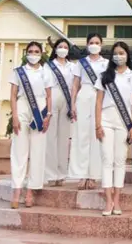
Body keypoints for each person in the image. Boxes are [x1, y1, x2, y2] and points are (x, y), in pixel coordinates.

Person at [94, 42, 132, 216]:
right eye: (116, 53)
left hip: (124, 122)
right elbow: (98, 102)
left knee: (120, 161)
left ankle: (117, 199)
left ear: (127, 55)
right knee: (107, 160)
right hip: (106, 120)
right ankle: (108, 200)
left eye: (122, 53)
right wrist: (97, 125)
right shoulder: (104, 76)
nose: (119, 56)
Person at [9, 41, 53, 208]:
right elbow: (13, 95)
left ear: (41, 53)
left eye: (36, 51)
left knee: (38, 151)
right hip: (22, 107)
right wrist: (14, 117)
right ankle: (17, 190)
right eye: (31, 51)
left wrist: (48, 115)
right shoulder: (18, 72)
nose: (33, 54)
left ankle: (30, 191)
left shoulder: (46, 72)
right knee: (19, 151)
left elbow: (49, 96)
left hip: (40, 111)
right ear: (26, 53)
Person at [68, 33, 107, 190]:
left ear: (101, 45)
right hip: (83, 97)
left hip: (100, 98)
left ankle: (94, 175)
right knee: (81, 136)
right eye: (91, 42)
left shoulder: (106, 63)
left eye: (97, 42)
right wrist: (72, 104)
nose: (94, 45)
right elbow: (75, 85)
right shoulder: (81, 63)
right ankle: (81, 174)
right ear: (87, 44)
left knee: (96, 137)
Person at [43, 38, 74, 187]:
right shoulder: (48, 66)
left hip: (67, 101)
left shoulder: (72, 66)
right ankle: (50, 174)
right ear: (55, 49)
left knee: (63, 139)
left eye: (65, 47)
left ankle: (62, 174)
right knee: (51, 137)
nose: (63, 49)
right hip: (52, 97)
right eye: (60, 46)